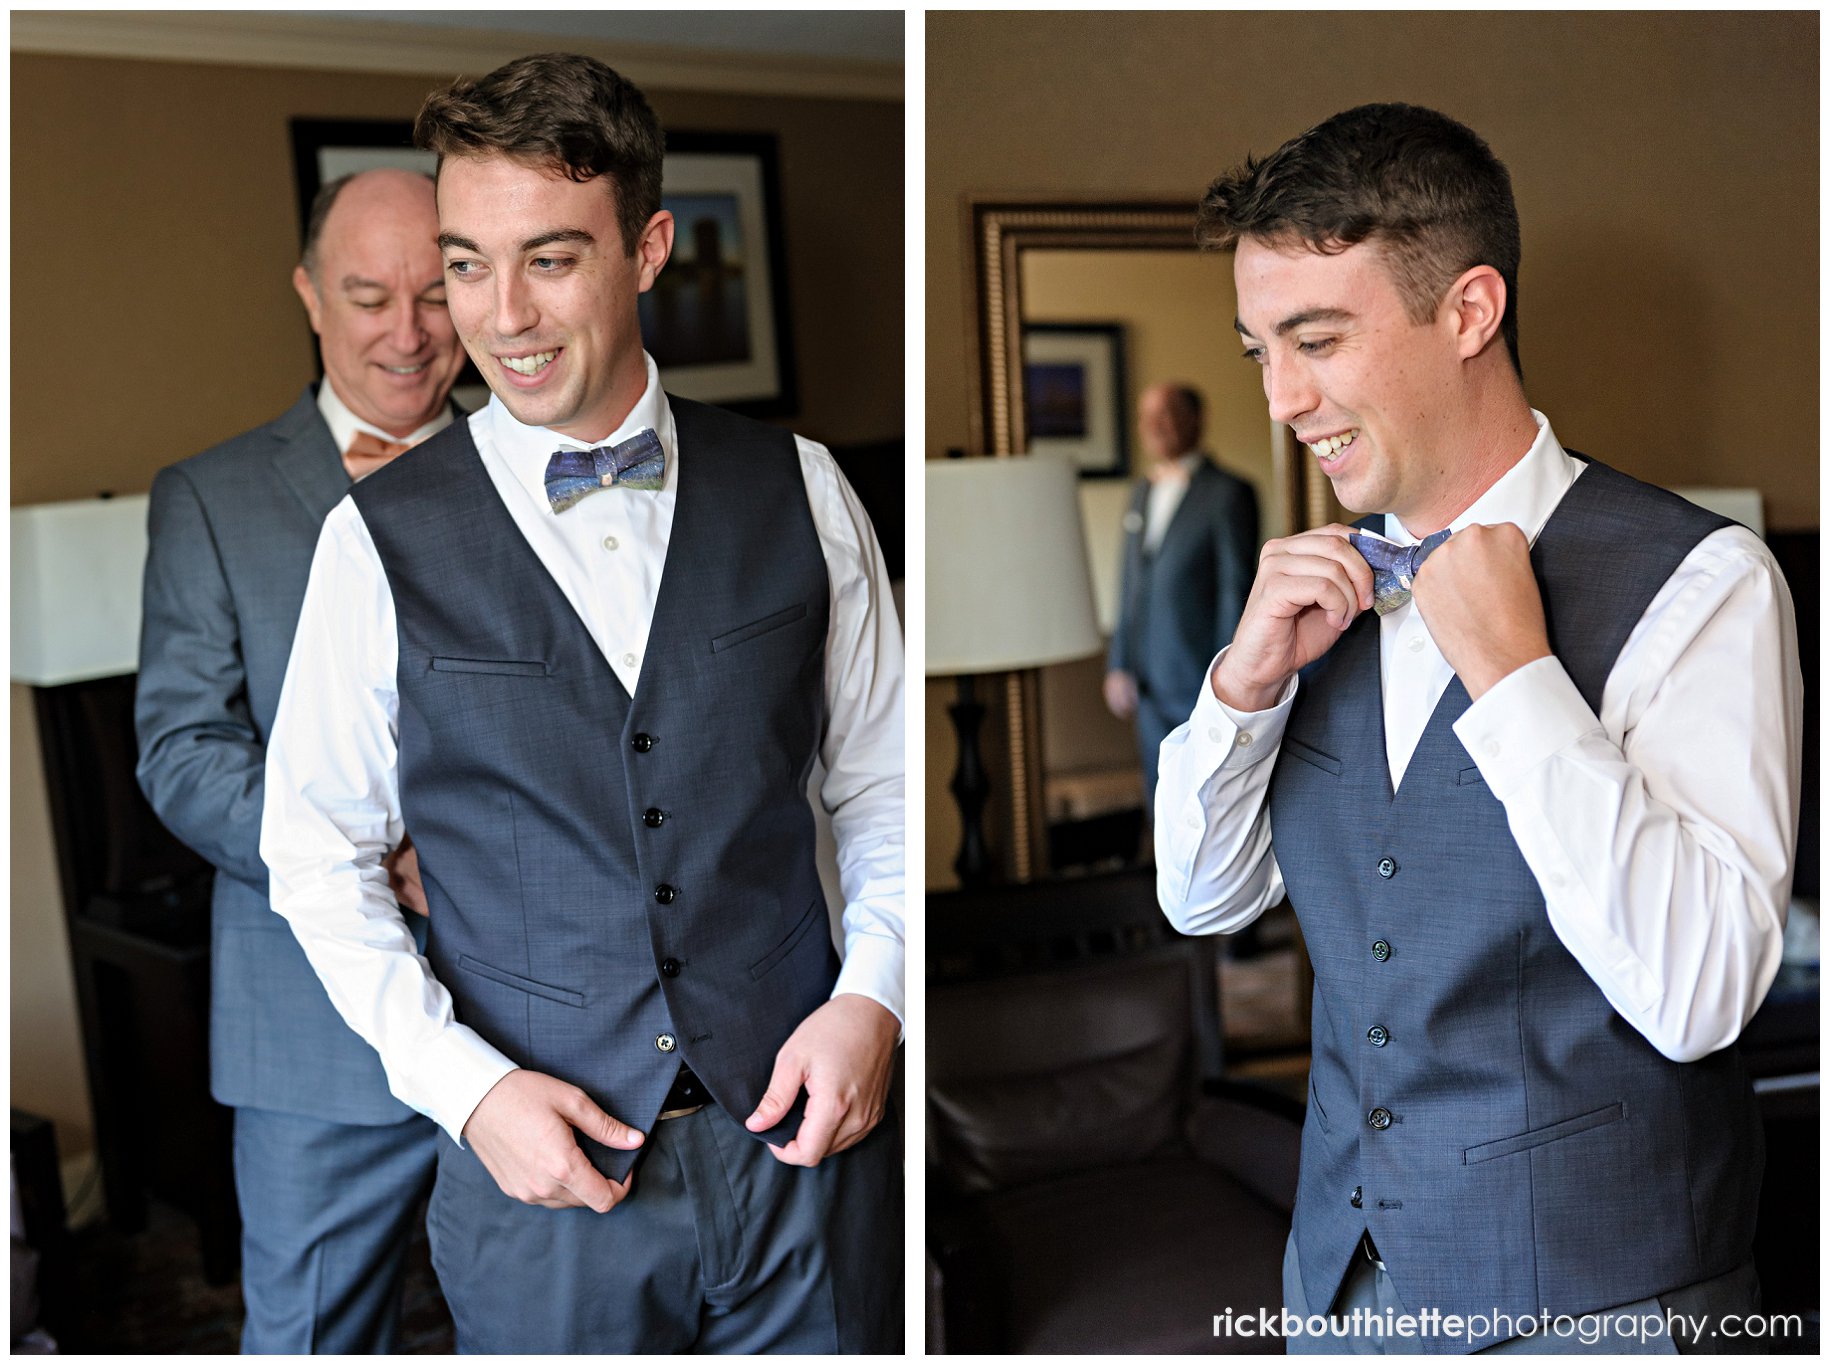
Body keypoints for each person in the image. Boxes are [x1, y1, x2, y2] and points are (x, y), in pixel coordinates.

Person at [260, 53, 903, 1354]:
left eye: (549, 260)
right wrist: (466, 1090)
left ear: (651, 247)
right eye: (466, 263)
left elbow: (877, 781)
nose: (500, 317)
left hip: (805, 1160)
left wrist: (875, 996)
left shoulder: (805, 487)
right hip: (543, 1195)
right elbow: (314, 853)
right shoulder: (372, 541)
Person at [1157, 103, 1800, 1353]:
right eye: (1259, 353)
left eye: (1318, 339)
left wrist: (1516, 681)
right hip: (1340, 1293)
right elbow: (1202, 900)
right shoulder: (1307, 604)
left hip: (1611, 1307)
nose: (1284, 398)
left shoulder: (1702, 583)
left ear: (1469, 311)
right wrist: (1243, 686)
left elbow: (1704, 994)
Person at [135, 167, 468, 1352]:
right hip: (312, 1027)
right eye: (370, 294)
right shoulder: (211, 500)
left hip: (540, 1016)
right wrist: (378, 856)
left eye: (438, 290)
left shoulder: (537, 472)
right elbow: (182, 749)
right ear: (310, 294)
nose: (408, 332)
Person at [1104, 382, 1258, 805]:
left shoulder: (1229, 493)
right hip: (1146, 687)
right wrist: (1119, 663)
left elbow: (1236, 589)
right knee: (1160, 805)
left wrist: (1228, 677)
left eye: (1165, 414)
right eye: (1145, 417)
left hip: (1199, 680)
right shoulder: (1142, 491)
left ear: (1195, 420)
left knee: (1206, 803)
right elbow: (1130, 582)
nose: (1153, 426)